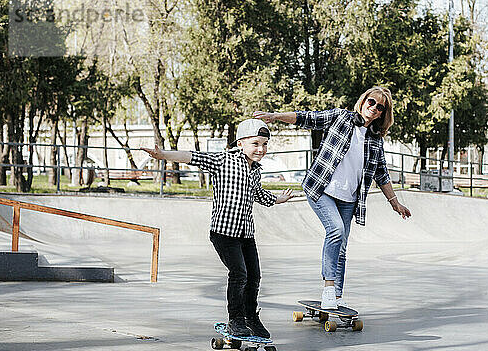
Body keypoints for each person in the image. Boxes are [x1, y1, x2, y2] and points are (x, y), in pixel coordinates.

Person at [253, 86, 411, 309]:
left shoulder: (375, 140)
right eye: (372, 102)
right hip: (321, 189)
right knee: (335, 231)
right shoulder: (341, 117)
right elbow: (308, 118)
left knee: (342, 247)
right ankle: (328, 288)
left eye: (380, 107)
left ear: (383, 114)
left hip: (349, 199)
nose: (374, 108)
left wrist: (395, 203)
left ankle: (337, 295)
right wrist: (275, 116)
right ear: (363, 100)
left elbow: (381, 173)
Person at [141, 119, 293, 338]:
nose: (261, 149)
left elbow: (258, 194)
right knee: (239, 274)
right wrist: (163, 154)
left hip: (246, 234)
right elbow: (192, 157)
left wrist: (278, 199)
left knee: (255, 276)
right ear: (240, 143)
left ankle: (251, 317)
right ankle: (236, 320)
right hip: (223, 233)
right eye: (255, 144)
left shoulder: (256, 171)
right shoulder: (224, 160)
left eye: (264, 144)